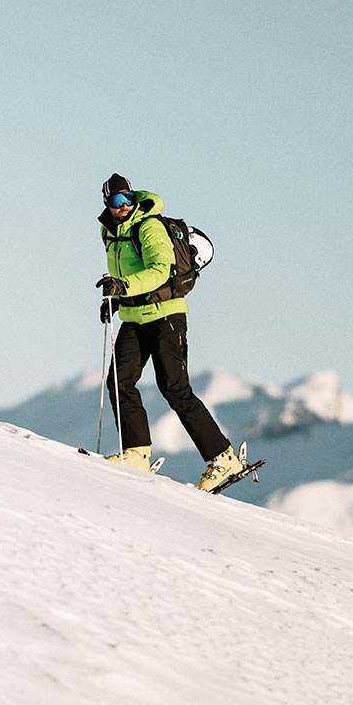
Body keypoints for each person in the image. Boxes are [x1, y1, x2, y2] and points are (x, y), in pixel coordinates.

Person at [95, 173, 246, 492]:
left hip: (166, 315)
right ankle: (137, 452)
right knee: (118, 382)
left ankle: (224, 456)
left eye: (127, 199)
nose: (122, 207)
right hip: (135, 316)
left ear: (133, 197)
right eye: (115, 202)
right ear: (107, 203)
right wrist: (117, 299)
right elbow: (127, 273)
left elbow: (159, 270)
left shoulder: (149, 226)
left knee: (174, 387)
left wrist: (125, 286)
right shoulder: (109, 232)